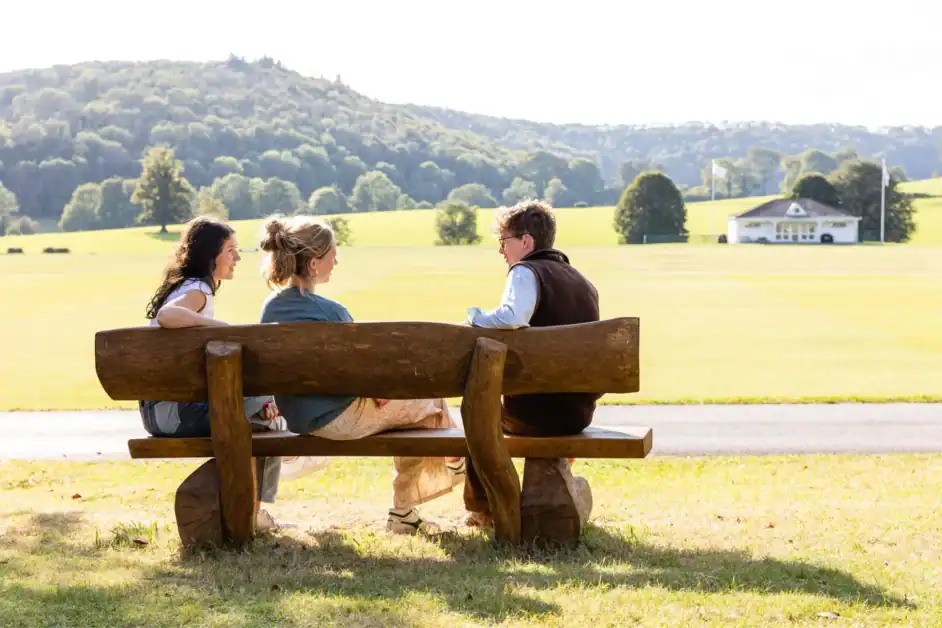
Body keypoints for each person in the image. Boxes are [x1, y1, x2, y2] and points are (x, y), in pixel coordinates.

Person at [257, 213, 466, 535]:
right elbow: (360, 370)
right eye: (331, 255)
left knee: (414, 407)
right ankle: (434, 482)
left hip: (297, 415)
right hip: (338, 417)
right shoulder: (331, 312)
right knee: (430, 403)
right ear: (313, 263)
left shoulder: (270, 308)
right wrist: (379, 391)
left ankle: (426, 489)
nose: (336, 261)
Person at [138, 215, 318, 530]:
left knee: (265, 408)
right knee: (269, 417)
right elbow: (167, 316)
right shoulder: (198, 291)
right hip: (173, 414)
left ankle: (254, 507)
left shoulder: (190, 288)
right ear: (211, 256)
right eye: (231, 250)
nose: (237, 258)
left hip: (162, 412)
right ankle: (255, 512)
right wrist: (224, 328)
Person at [463, 199, 596, 529]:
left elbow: (513, 316)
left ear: (526, 241)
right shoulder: (582, 282)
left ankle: (482, 508)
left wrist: (476, 319)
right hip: (576, 414)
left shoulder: (525, 272)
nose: (501, 251)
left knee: (479, 415)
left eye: (504, 241)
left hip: (535, 414)